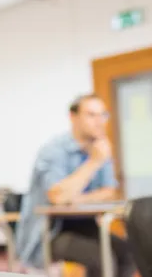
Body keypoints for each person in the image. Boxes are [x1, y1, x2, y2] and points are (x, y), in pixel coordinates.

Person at [16, 94, 135, 277]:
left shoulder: (99, 147)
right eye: (91, 115)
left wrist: (76, 198)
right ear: (73, 117)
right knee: (101, 258)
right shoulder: (54, 150)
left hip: (86, 227)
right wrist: (94, 162)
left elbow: (109, 192)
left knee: (128, 252)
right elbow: (58, 197)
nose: (99, 121)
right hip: (50, 232)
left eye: (103, 115)